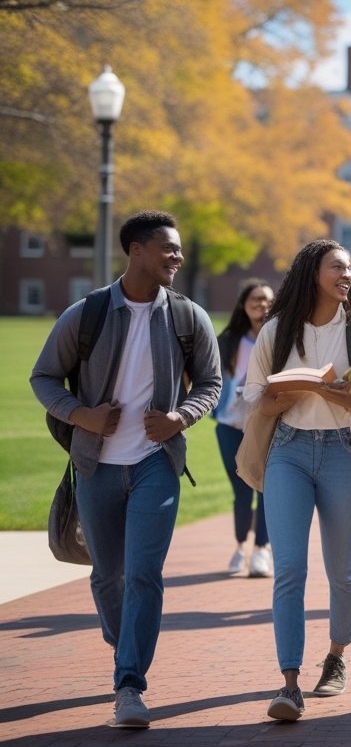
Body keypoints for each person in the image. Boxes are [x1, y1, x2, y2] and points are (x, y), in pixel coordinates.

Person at [30, 210, 221, 729]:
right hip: (96, 467)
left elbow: (211, 383)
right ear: (136, 251)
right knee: (108, 576)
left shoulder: (188, 317)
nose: (176, 257)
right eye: (168, 248)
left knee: (143, 575)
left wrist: (181, 416)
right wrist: (82, 414)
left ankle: (130, 684)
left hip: (157, 464)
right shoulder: (86, 314)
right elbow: (43, 377)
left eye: (179, 249)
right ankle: (126, 644)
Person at [242, 239, 351, 722]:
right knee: (289, 569)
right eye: (337, 268)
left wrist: (341, 395)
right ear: (311, 273)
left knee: (342, 569)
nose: (346, 276)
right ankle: (288, 684)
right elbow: (257, 399)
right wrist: (280, 399)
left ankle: (337, 656)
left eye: (349, 269)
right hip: (289, 451)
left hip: (344, 453)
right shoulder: (277, 331)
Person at [213, 279, 275, 578]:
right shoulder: (228, 341)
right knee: (240, 490)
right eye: (256, 299)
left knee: (265, 488)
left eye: (267, 300)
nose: (262, 304)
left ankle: (262, 550)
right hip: (230, 425)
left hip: (266, 426)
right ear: (244, 304)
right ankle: (240, 546)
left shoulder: (280, 338)